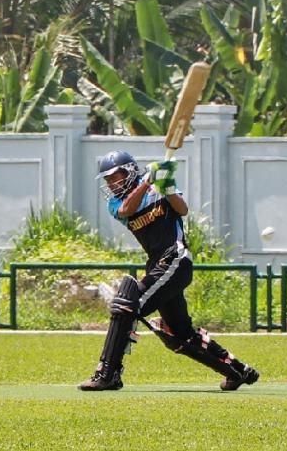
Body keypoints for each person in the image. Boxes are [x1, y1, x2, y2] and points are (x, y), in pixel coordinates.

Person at [78, 150, 260, 391]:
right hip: (159, 265)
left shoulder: (158, 190)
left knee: (127, 305)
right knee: (179, 333)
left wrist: (168, 187)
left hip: (175, 259)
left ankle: (108, 373)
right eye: (108, 180)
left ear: (130, 171)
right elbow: (126, 210)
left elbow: (182, 210)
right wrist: (146, 182)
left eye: (115, 177)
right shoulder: (116, 203)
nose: (111, 184)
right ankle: (237, 371)